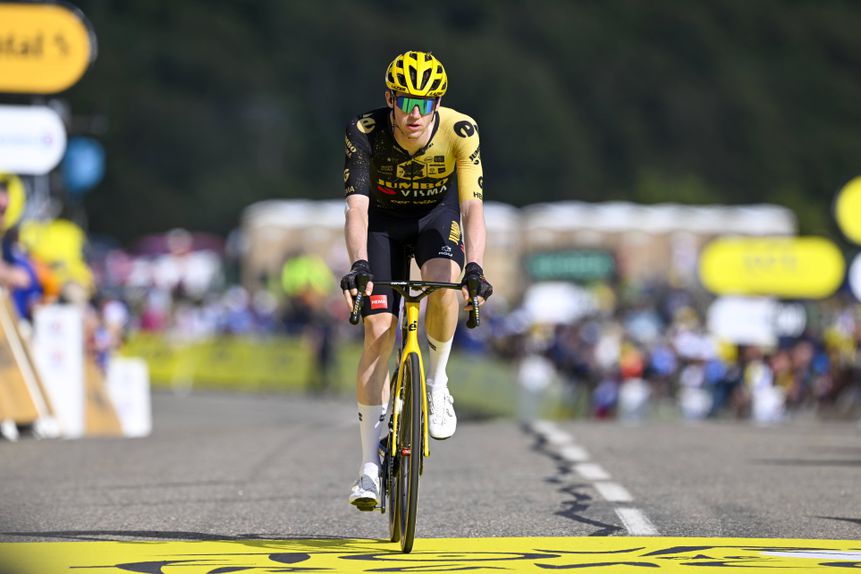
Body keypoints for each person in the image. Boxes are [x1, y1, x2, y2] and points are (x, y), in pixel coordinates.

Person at [340, 51, 493, 509]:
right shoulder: (364, 130)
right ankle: (368, 467)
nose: (414, 114)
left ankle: (437, 382)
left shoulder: (460, 131)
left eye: (425, 104)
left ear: (437, 104)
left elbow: (473, 207)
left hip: (434, 219)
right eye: (405, 102)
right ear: (390, 99)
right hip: (382, 225)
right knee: (378, 331)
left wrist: (476, 267)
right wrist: (359, 264)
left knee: (446, 285)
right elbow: (356, 209)